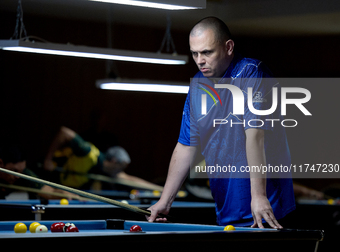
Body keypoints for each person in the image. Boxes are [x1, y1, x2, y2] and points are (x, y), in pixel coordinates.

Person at [147, 17, 296, 228]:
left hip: (268, 209)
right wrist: (165, 200)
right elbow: (186, 145)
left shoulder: (253, 74)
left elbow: (255, 136)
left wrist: (259, 195)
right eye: (194, 53)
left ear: (228, 47)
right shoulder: (198, 85)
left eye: (207, 52)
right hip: (226, 209)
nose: (200, 60)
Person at [43, 126, 162, 191]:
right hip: (45, 174)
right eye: (121, 167)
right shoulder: (88, 152)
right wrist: (48, 159)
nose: (120, 172)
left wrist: (161, 190)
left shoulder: (105, 169)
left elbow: (130, 179)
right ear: (114, 161)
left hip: (57, 187)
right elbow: (64, 132)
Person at [0, 144, 76, 200]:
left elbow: (50, 192)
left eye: (21, 171)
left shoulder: (24, 173)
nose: (18, 176)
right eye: (14, 171)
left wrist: (65, 194)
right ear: (1, 163)